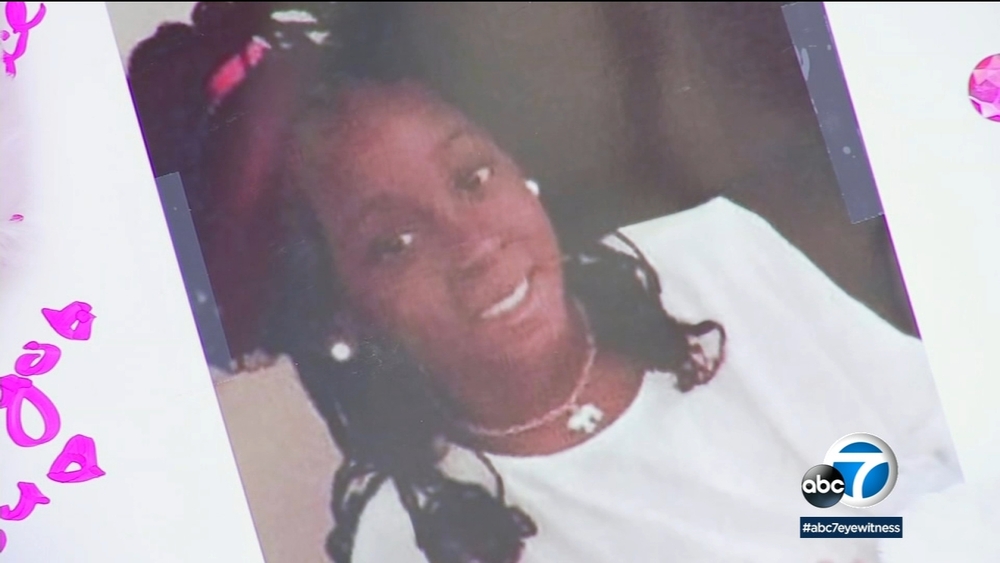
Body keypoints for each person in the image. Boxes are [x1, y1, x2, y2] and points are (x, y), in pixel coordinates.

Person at [126, 3, 962, 562]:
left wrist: (849, 525)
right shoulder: (412, 537)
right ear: (339, 314)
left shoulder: (711, 257)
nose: (475, 245)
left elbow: (939, 441)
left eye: (472, 178)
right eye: (394, 243)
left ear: (518, 165)